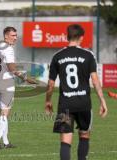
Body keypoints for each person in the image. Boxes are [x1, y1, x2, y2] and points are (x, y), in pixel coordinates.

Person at [45, 24, 108, 160]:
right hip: (84, 104)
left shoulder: (57, 56)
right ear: (81, 37)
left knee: (65, 141)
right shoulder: (88, 55)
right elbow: (95, 80)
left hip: (65, 105)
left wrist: (48, 101)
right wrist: (102, 101)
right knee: (84, 135)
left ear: (67, 36)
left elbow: (50, 83)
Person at [0, 26, 36, 149]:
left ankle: (6, 142)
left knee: (2, 114)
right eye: (13, 35)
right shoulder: (9, 49)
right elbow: (12, 69)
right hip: (7, 84)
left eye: (16, 35)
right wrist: (25, 78)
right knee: (5, 114)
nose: (15, 38)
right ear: (6, 36)